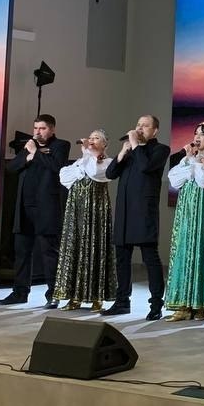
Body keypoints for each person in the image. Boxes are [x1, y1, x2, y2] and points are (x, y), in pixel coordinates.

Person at [103, 115, 170, 319]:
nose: (140, 128)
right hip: (124, 210)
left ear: (155, 130)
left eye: (145, 126)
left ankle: (156, 304)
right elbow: (110, 173)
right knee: (122, 259)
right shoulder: (131, 151)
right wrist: (123, 152)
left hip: (143, 210)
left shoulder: (160, 150)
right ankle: (122, 301)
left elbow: (145, 167)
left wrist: (135, 145)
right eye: (138, 125)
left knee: (150, 258)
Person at [0, 114, 70, 308]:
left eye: (42, 128)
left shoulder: (61, 145)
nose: (38, 132)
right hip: (24, 207)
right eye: (36, 128)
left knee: (49, 253)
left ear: (52, 129)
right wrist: (29, 156)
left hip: (46, 207)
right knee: (22, 252)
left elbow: (57, 166)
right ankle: (20, 293)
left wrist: (35, 154)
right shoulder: (30, 146)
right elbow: (11, 168)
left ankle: (53, 294)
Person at [164, 123, 204, 321]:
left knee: (203, 249)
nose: (197, 138)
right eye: (196, 134)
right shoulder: (187, 157)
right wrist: (194, 163)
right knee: (184, 250)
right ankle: (183, 305)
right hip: (187, 210)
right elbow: (174, 180)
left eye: (202, 134)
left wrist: (195, 166)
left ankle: (202, 304)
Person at [55, 130, 116, 312]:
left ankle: (97, 297)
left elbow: (95, 172)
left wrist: (88, 156)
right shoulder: (81, 161)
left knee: (95, 249)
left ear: (104, 144)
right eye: (90, 138)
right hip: (76, 210)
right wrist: (84, 158)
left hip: (96, 212)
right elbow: (64, 177)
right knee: (75, 248)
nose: (91, 140)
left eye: (96, 138)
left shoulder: (108, 162)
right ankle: (74, 297)